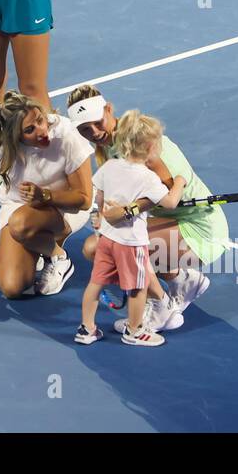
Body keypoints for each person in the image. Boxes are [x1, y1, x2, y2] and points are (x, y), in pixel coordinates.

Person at [67, 86, 220, 307]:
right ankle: (182, 281)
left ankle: (160, 308)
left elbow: (168, 198)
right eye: (84, 129)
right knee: (100, 243)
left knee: (107, 248)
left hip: (198, 228)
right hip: (172, 222)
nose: (94, 132)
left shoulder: (137, 142)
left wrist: (129, 210)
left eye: (97, 122)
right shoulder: (111, 146)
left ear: (108, 109)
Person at [0, 91, 92, 299]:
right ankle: (43, 247)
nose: (42, 130)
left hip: (65, 207)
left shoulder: (66, 134)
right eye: (30, 130)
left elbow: (84, 200)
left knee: (19, 223)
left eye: (40, 120)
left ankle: (59, 257)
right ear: (15, 138)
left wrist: (45, 196)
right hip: (18, 207)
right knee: (12, 288)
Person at [77, 111, 186, 347]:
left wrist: (104, 216)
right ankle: (134, 331)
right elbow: (170, 202)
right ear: (150, 146)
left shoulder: (109, 166)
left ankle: (87, 329)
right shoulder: (149, 179)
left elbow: (100, 200)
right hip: (131, 244)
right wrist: (179, 182)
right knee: (138, 287)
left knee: (95, 284)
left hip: (105, 238)